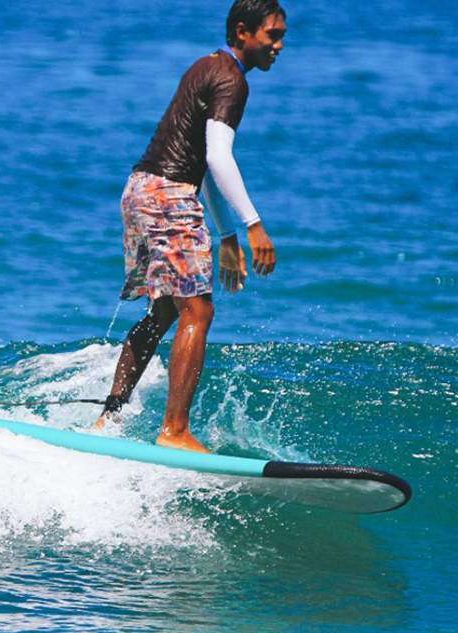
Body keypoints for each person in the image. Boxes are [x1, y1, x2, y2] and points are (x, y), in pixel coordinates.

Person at [94, 0, 287, 452]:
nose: (278, 46)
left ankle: (108, 418)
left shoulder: (206, 66)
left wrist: (225, 236)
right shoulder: (232, 81)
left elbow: (201, 166)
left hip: (141, 189)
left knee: (163, 311)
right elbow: (218, 159)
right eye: (271, 35)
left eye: (281, 37)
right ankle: (175, 431)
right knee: (197, 313)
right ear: (243, 32)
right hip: (170, 195)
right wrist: (254, 225)